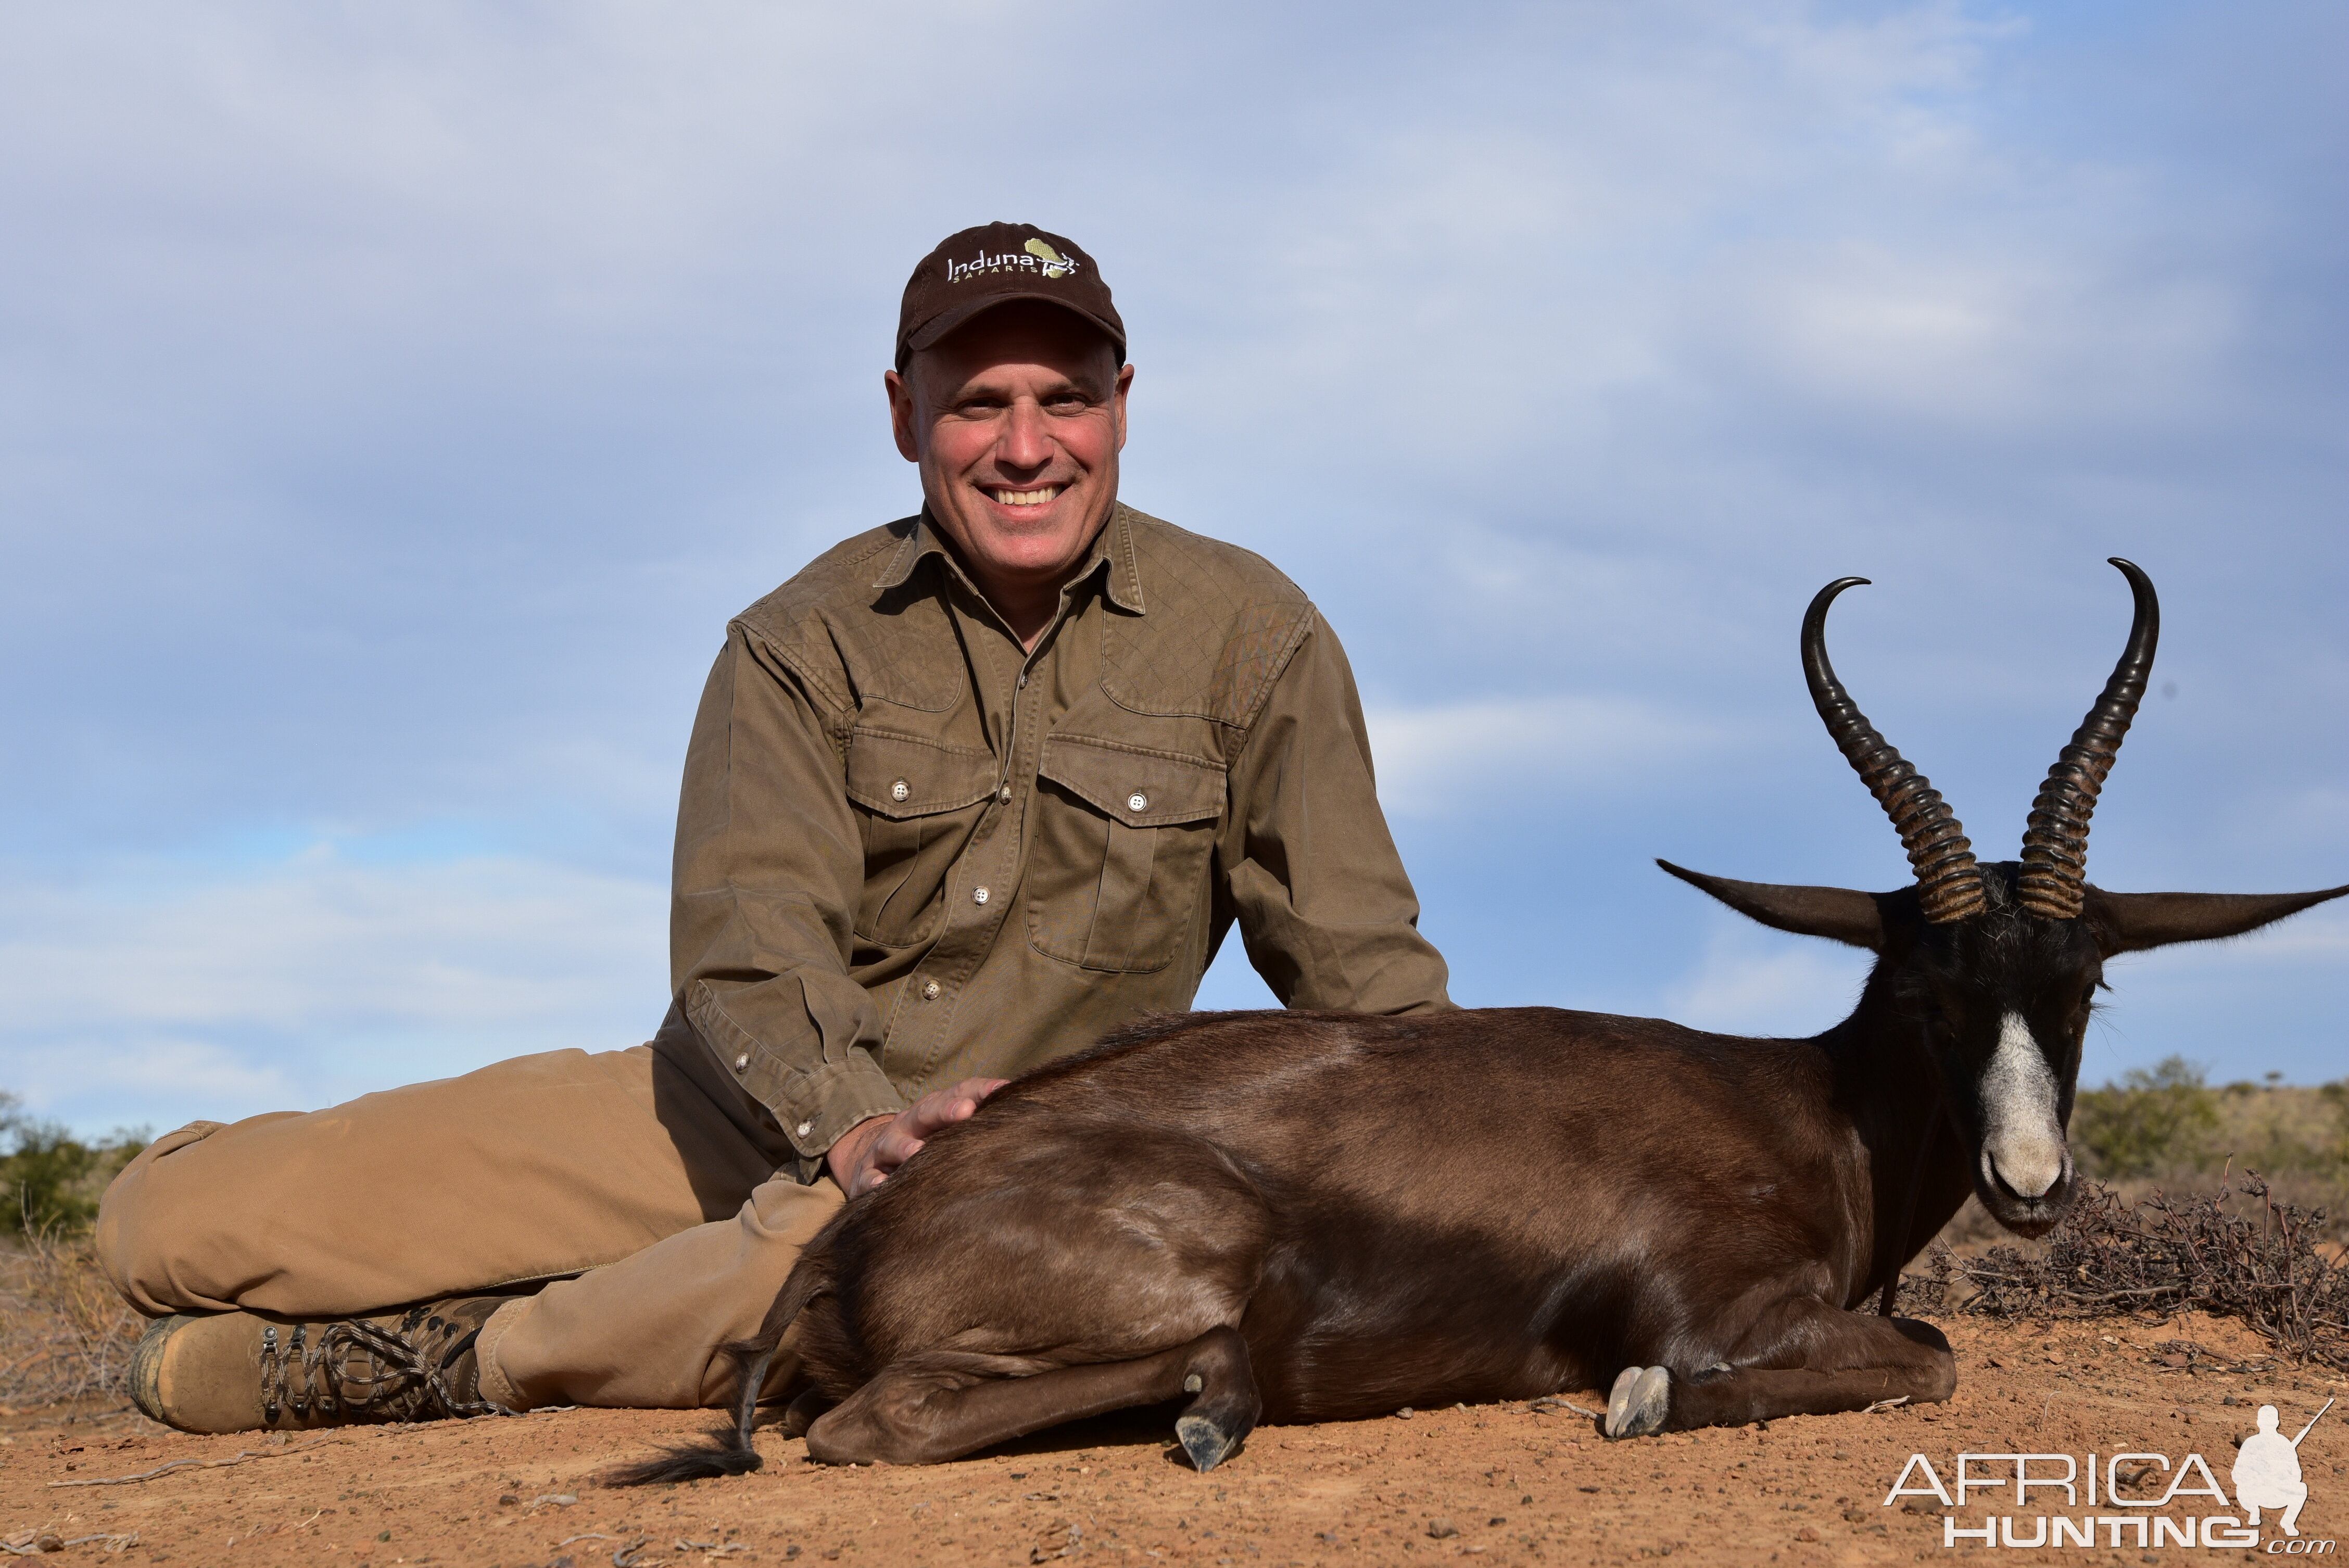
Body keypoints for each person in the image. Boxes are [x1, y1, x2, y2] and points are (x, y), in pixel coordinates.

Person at [97, 222, 1454, 1434]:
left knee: (845, 1293)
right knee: (156, 1224)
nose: (1027, 445)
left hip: (1035, 1176)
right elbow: (749, 939)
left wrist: (1483, 1163)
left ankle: (454, 1355)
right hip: (733, 1106)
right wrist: (858, 1122)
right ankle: (562, 1267)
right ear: (901, 410)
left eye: (1066, 401)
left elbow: (1361, 971)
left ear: (1123, 406)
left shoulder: (1255, 636)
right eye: (977, 403)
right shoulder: (798, 640)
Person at [2233, 1402, 2319, 1536]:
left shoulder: (2285, 1444)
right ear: (2259, 1423)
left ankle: (2288, 1522)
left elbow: (2297, 1475)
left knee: (2301, 1488)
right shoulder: (2251, 1443)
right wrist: (2257, 1473)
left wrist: (2281, 1473)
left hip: (2277, 1493)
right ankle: (2254, 1513)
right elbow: (2237, 1475)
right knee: (2241, 1488)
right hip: (2254, 1493)